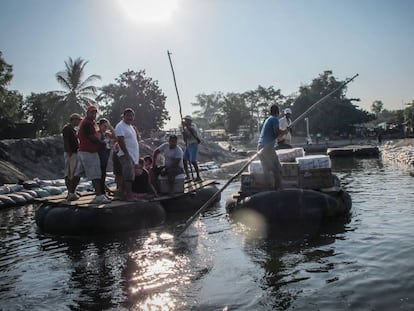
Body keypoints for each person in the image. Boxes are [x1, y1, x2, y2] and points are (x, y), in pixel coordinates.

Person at [67, 105, 111, 203]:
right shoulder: (87, 123)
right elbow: (92, 138)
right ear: (87, 113)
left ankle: (71, 193)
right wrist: (102, 141)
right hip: (89, 151)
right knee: (95, 173)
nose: (94, 114)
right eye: (92, 112)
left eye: (95, 113)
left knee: (78, 173)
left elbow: (80, 135)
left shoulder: (88, 123)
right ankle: (99, 196)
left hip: (83, 151)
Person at [257, 104, 285, 190]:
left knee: (267, 171)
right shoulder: (274, 119)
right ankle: (277, 190)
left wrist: (283, 132)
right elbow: (277, 132)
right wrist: (285, 131)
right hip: (267, 148)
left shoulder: (268, 119)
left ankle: (268, 189)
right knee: (277, 170)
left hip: (260, 147)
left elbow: (277, 136)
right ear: (278, 112)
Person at [114, 108, 140, 201]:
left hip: (132, 156)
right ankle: (129, 196)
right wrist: (126, 154)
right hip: (125, 155)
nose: (130, 117)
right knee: (128, 177)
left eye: (131, 116)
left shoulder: (131, 127)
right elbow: (120, 141)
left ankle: (122, 194)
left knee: (129, 176)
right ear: (124, 116)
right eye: (128, 115)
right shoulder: (120, 126)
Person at [62, 113, 82, 191]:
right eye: (78, 120)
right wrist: (69, 152)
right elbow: (66, 141)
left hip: (74, 153)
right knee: (69, 173)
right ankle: (70, 191)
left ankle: (72, 190)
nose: (79, 122)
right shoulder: (67, 128)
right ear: (73, 120)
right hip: (70, 153)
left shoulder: (73, 129)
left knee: (74, 173)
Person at [97, 118, 116, 194]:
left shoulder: (107, 134)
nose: (105, 127)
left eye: (106, 126)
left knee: (103, 173)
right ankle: (101, 191)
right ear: (100, 126)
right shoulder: (99, 133)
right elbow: (98, 142)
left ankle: (103, 190)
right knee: (101, 174)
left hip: (106, 154)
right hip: (101, 154)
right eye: (104, 126)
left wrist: (110, 127)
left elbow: (115, 136)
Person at [182, 115, 202, 181]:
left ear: (190, 121)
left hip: (194, 144)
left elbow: (193, 132)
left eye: (187, 120)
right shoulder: (185, 128)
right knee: (184, 159)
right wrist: (184, 134)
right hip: (189, 144)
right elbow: (185, 139)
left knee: (193, 161)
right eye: (185, 120)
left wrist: (186, 127)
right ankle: (188, 175)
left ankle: (198, 176)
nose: (186, 121)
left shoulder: (193, 126)